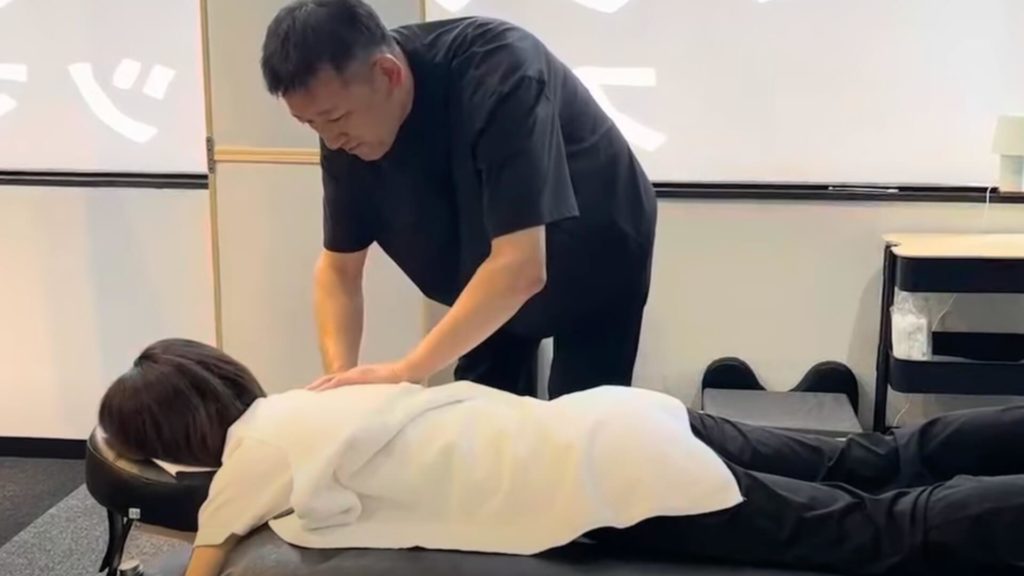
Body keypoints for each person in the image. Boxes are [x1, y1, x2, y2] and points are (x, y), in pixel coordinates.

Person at [101, 338, 1024, 576]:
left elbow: (208, 555)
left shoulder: (255, 454)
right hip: (623, 419)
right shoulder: (315, 398)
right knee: (877, 458)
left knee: (879, 532)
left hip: (622, 480)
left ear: (179, 446)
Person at [258, 0, 658, 398]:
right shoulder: (345, 128)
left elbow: (521, 267)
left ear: (388, 73)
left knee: (585, 414)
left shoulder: (500, 70)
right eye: (310, 123)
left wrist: (405, 371)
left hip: (594, 245)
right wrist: (339, 383)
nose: (330, 140)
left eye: (335, 119)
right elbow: (339, 270)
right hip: (488, 263)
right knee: (476, 408)